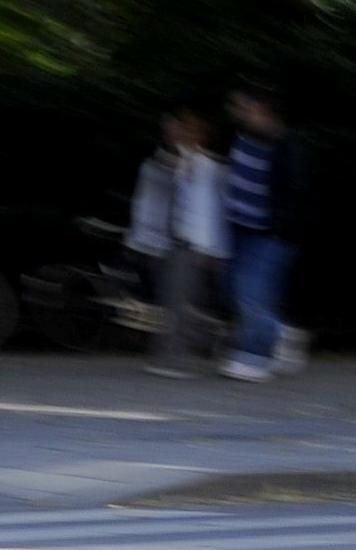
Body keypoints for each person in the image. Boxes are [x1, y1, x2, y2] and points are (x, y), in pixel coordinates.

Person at [126, 105, 230, 374]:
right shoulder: (157, 164)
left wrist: (213, 248)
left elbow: (211, 210)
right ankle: (216, 336)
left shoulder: (210, 169)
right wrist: (139, 240)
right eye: (169, 125)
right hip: (160, 243)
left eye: (179, 126)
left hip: (191, 244)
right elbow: (146, 204)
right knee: (176, 302)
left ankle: (169, 358)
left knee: (175, 302)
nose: (172, 131)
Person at [221, 84, 306, 381]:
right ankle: (281, 333)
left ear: (262, 110)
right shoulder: (236, 137)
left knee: (250, 292)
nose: (238, 113)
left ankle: (253, 356)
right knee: (236, 288)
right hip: (240, 230)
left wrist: (278, 226)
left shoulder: (286, 146)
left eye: (244, 108)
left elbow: (293, 192)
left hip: (270, 234)